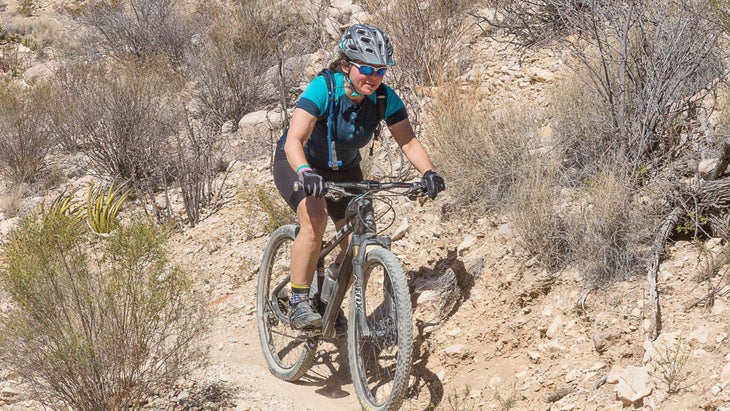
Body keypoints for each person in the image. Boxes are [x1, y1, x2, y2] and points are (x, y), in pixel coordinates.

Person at [272, 24, 446, 331]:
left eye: (380, 70)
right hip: (300, 163)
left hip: (346, 170)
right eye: (366, 68)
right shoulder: (323, 89)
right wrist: (304, 171)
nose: (373, 77)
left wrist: (428, 171)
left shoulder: (383, 98)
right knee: (315, 221)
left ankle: (326, 299)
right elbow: (293, 141)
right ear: (345, 65)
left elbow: (407, 141)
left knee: (357, 245)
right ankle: (299, 301)